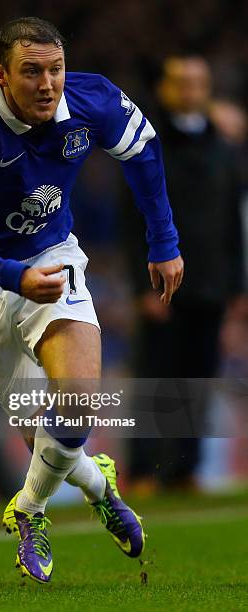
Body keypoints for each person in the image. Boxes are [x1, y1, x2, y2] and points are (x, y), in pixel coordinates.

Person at [0, 17, 183, 583]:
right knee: (46, 437)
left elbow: (142, 149)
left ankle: (29, 511)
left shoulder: (90, 100)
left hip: (52, 255)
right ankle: (101, 487)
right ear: (1, 74)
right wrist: (14, 278)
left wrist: (163, 240)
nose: (47, 84)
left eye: (55, 69)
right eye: (31, 72)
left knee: (78, 400)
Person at [123, 57, 244, 492]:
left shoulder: (223, 149)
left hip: (210, 285)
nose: (191, 91)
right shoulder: (145, 145)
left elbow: (233, 222)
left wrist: (237, 286)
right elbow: (129, 220)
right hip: (160, 286)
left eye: (198, 82)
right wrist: (141, 285)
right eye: (182, 83)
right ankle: (144, 471)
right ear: (167, 89)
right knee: (156, 378)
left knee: (198, 378)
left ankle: (184, 469)